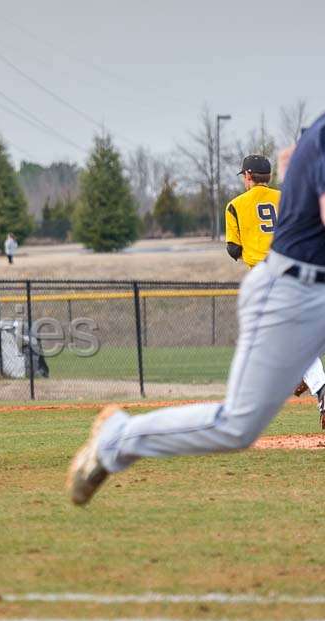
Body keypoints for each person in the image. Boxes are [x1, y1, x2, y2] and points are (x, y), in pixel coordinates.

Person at [67, 112, 325, 506]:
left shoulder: (256, 190)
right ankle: (117, 437)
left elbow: (290, 158)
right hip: (291, 287)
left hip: (293, 273)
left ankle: (318, 384)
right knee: (238, 426)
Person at [225, 154, 325, 428]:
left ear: (247, 176)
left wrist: (253, 247)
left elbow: (233, 249)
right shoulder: (287, 198)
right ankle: (302, 377)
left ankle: (317, 385)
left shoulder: (235, 205)